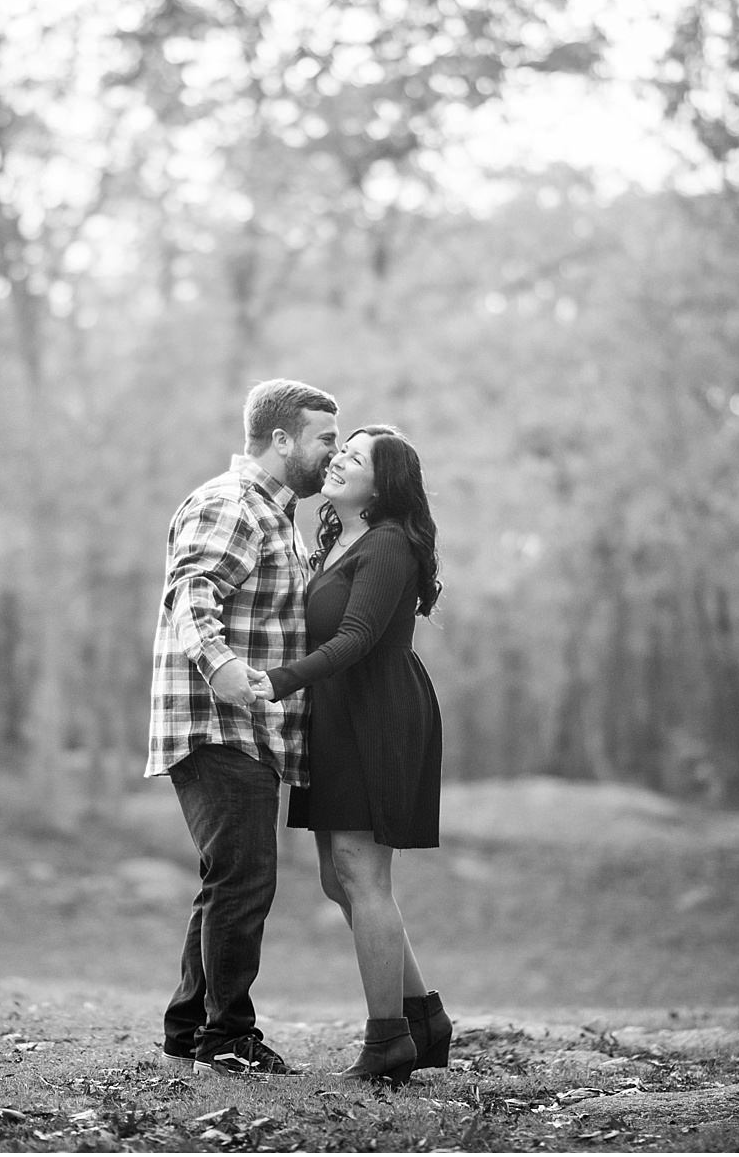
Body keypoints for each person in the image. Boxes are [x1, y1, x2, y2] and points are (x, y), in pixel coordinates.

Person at [244, 425, 450, 1086]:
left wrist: (275, 682)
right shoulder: (338, 539)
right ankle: (422, 1021)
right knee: (340, 880)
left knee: (363, 876)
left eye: (355, 458)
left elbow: (358, 638)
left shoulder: (387, 544)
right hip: (335, 716)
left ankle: (388, 1041)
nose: (337, 460)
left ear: (382, 486)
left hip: (376, 714)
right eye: (342, 450)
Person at [145, 378, 340, 1077]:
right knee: (244, 880)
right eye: (325, 439)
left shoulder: (275, 515)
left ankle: (189, 1028)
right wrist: (219, 663)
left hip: (247, 729)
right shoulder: (233, 503)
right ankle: (227, 1038)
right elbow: (192, 588)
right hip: (217, 722)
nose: (334, 452)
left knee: (229, 877)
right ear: (281, 439)